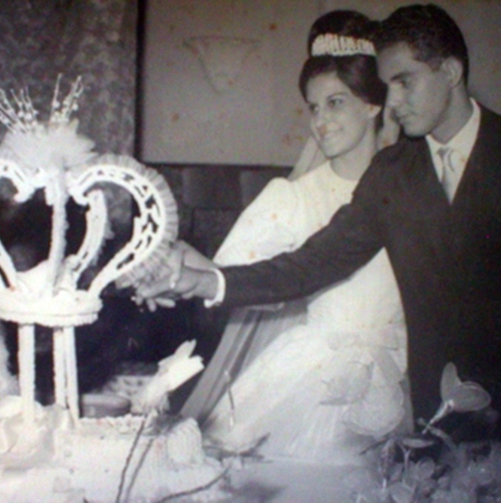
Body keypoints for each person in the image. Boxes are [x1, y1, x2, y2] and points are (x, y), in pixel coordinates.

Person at [139, 4, 501, 442]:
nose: (393, 103)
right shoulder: (392, 172)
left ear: (450, 71)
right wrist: (205, 282)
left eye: (405, 82)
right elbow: (312, 263)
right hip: (429, 415)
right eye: (388, 86)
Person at [176, 11, 407, 464]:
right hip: (314, 376)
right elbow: (238, 275)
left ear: (372, 105)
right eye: (314, 107)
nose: (320, 121)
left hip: (402, 367)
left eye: (335, 103)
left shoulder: (411, 187)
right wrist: (179, 264)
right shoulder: (295, 197)